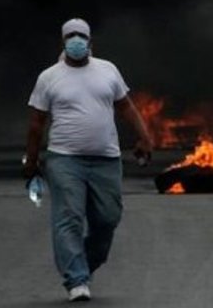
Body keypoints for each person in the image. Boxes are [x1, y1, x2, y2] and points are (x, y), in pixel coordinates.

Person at [23, 18, 154, 302]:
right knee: (68, 217)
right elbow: (37, 123)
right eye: (71, 36)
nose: (76, 40)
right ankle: (76, 280)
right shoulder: (49, 77)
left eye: (81, 35)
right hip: (64, 159)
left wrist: (145, 137)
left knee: (108, 218)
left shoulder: (108, 70)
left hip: (106, 159)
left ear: (90, 40)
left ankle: (83, 263)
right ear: (63, 41)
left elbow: (126, 108)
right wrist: (30, 161)